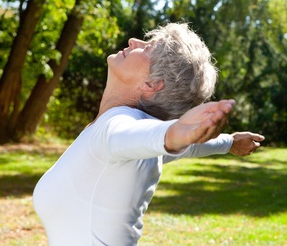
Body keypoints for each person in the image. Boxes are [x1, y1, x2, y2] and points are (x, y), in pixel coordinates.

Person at [33, 22, 264, 246]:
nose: (134, 41)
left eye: (148, 47)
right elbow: (186, 145)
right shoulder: (133, 138)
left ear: (153, 84)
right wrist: (230, 142)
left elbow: (144, 136)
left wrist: (175, 134)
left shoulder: (117, 126)